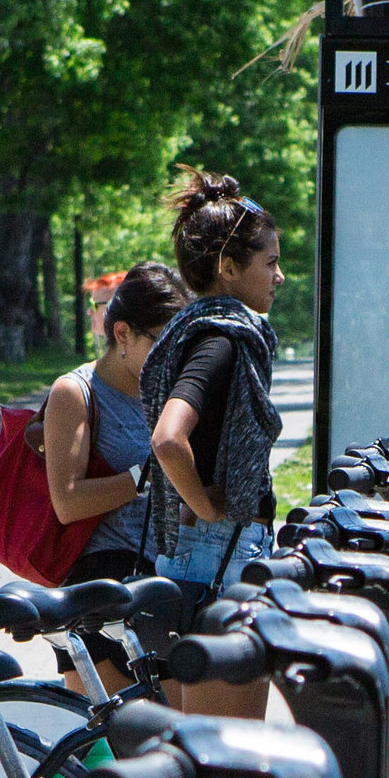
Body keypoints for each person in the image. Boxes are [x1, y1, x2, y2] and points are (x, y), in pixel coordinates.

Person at [141, 172, 288, 719]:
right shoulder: (222, 341)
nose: (279, 275)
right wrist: (205, 504)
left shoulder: (196, 329)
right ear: (228, 268)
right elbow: (168, 439)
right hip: (218, 560)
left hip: (193, 561)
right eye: (269, 262)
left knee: (196, 759)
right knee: (228, 760)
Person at [39, 260, 186, 690]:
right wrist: (145, 474)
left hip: (164, 580)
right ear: (122, 334)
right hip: (99, 590)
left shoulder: (170, 393)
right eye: (162, 342)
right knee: (112, 745)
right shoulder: (75, 392)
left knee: (175, 739)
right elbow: (66, 502)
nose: (172, 357)